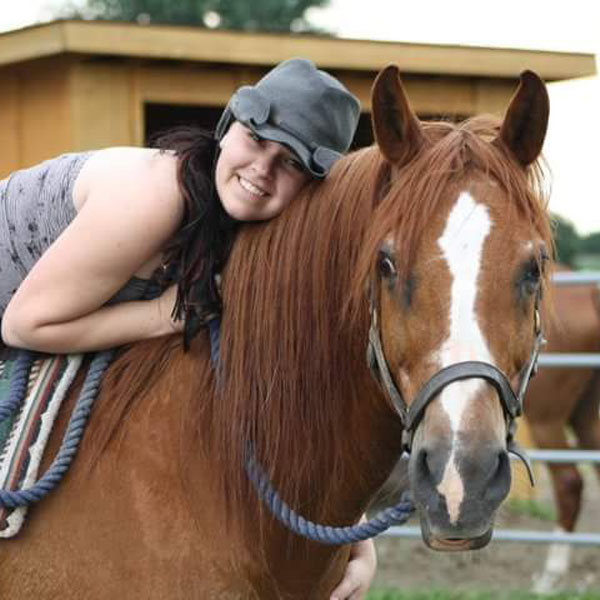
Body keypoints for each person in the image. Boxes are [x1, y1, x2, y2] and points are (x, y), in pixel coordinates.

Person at [0, 58, 376, 598]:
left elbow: (277, 402)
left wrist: (357, 542)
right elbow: (27, 322)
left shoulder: (256, 234)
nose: (261, 169)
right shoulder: (158, 192)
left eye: (289, 161)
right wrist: (164, 314)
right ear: (228, 129)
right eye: (256, 139)